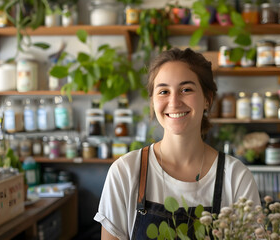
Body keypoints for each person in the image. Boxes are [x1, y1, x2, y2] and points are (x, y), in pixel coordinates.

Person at [94, 48, 260, 240]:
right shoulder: (126, 172)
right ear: (153, 102)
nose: (174, 102)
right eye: (163, 91)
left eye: (186, 89)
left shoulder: (236, 177)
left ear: (207, 99)